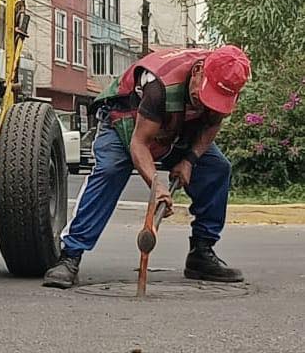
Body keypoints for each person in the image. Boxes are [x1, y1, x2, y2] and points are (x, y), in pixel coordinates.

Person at [43, 45, 251, 289]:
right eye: (204, 95)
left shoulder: (225, 80)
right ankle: (70, 256)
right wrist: (157, 186)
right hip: (126, 123)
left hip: (176, 130)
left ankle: (201, 254)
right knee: (109, 171)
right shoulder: (159, 84)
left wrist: (190, 160)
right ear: (197, 71)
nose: (206, 103)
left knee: (217, 169)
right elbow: (139, 145)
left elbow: (211, 125)